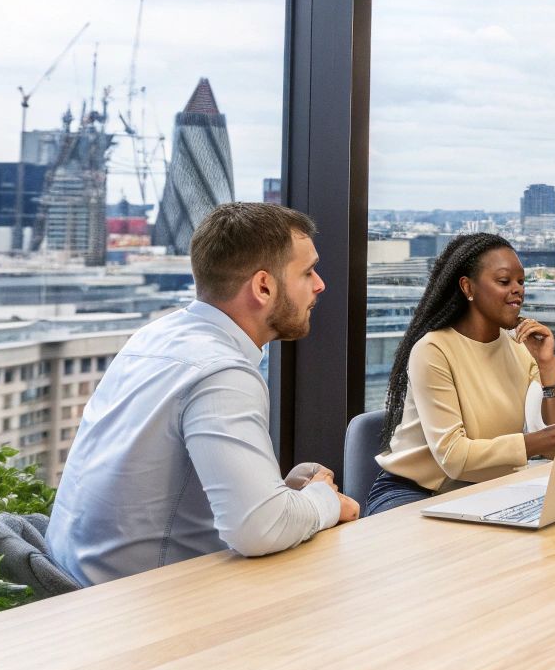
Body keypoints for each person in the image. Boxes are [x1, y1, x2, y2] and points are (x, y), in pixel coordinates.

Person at [47, 202, 359, 586]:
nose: (320, 284)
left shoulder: (155, 337)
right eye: (307, 272)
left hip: (80, 583)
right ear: (263, 286)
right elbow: (257, 528)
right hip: (144, 606)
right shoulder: (222, 372)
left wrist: (288, 501)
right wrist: (326, 500)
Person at [364, 232, 555, 515]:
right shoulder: (434, 349)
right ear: (467, 287)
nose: (518, 289)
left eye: (521, 281)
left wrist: (548, 366)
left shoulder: (520, 348)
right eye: (504, 281)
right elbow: (453, 457)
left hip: (483, 489)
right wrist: (538, 443)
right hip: (415, 491)